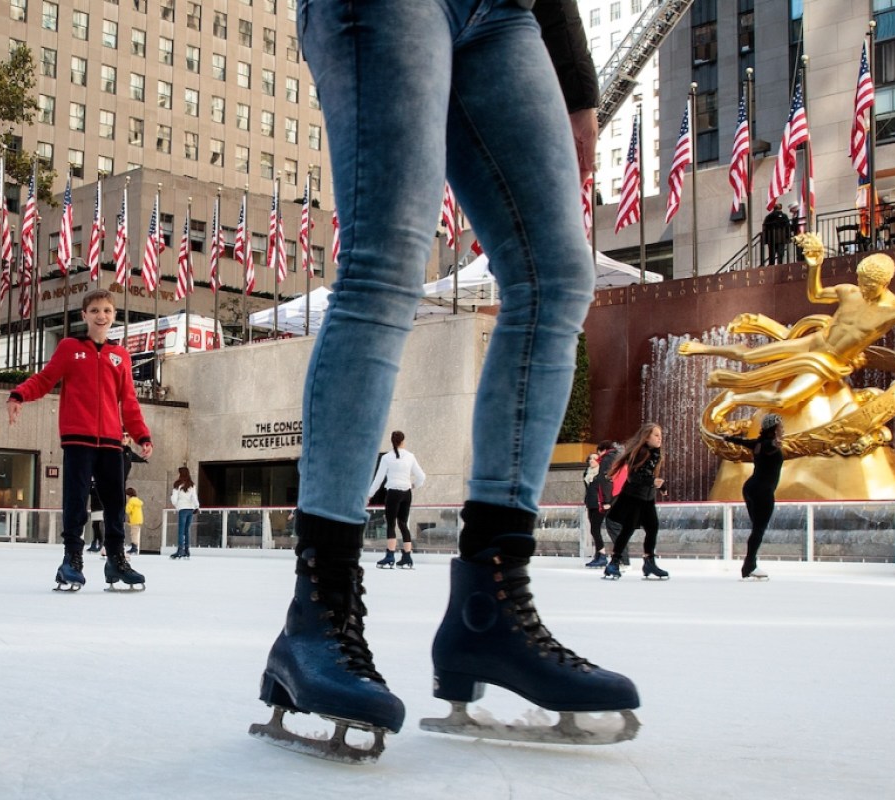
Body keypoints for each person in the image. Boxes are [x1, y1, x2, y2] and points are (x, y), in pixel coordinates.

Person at [251, 0, 639, 762]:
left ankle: (491, 606)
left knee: (557, 276)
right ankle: (318, 615)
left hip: (503, 13)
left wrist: (576, 81)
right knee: (385, 263)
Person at [678, 232, 895, 423]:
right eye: (861, 279)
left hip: (831, 362)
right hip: (815, 342)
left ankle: (733, 399)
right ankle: (704, 349)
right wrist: (814, 266)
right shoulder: (850, 291)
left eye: (869, 283)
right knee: (753, 357)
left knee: (782, 401)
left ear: (885, 282)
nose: (862, 286)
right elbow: (815, 294)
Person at [7, 289, 153, 591]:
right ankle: (71, 560)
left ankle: (116, 560)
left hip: (113, 442)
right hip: (78, 440)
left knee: (115, 504)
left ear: (114, 316)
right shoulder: (69, 347)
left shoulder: (120, 355)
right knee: (76, 501)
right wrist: (20, 393)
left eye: (108, 311)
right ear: (84, 315)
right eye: (96, 310)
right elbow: (46, 379)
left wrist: (141, 434)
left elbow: (129, 401)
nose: (102, 316)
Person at [602, 424, 668, 581]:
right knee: (628, 529)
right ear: (646, 437)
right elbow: (634, 477)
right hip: (634, 497)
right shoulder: (641, 453)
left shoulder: (654, 453)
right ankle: (614, 562)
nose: (660, 438)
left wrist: (659, 485)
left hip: (647, 497)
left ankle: (649, 561)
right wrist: (654, 482)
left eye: (660, 435)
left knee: (652, 527)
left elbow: (648, 476)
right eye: (656, 435)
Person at [723, 414, 785, 581]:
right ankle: (749, 566)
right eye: (780, 426)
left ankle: (750, 565)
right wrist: (774, 443)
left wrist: (729, 438)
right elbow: (768, 446)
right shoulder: (768, 444)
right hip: (762, 491)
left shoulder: (757, 443)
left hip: (750, 488)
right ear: (773, 428)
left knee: (756, 530)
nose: (783, 428)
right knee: (758, 529)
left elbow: (743, 442)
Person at [369, 431, 426, 569]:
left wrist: (370, 495)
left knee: (391, 524)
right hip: (406, 493)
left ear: (392, 441)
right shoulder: (410, 456)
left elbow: (379, 479)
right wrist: (414, 485)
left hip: (393, 493)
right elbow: (421, 476)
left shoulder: (387, 458)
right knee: (403, 524)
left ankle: (390, 556)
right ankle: (407, 556)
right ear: (403, 441)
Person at [582, 440, 617, 568]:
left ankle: (602, 555)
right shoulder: (587, 473)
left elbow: (607, 486)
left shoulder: (601, 473)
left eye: (595, 458)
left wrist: (607, 502)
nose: (591, 460)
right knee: (593, 529)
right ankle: (598, 554)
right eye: (590, 458)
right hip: (590, 504)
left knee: (595, 529)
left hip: (599, 504)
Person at [170, 466, 199, 560]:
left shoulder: (177, 484)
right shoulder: (192, 485)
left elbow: (174, 498)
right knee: (187, 530)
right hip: (190, 509)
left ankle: (180, 550)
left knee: (181, 530)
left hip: (182, 508)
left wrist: (177, 505)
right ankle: (187, 550)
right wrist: (197, 506)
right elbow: (194, 497)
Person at [125, 487, 143, 556]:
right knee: (135, 533)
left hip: (134, 520)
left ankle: (134, 548)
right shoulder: (137, 500)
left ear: (128, 495)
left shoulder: (131, 501)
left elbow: (127, 510)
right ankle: (134, 547)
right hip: (138, 519)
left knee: (133, 534)